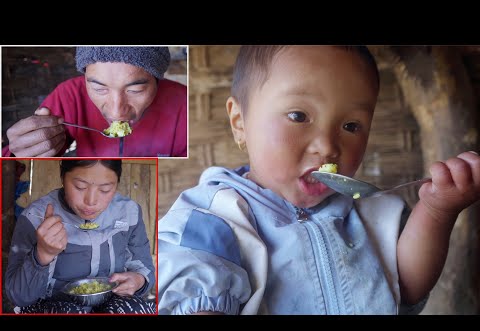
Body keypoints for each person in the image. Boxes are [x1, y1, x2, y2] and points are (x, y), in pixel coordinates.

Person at [156, 45, 480, 315]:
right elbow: (189, 278)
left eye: (351, 126)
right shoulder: (214, 215)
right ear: (240, 122)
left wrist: (438, 210)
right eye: (299, 116)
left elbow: (406, 287)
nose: (327, 146)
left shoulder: (372, 212)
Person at [5, 159, 156, 314]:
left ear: (117, 183)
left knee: (138, 309)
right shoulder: (35, 217)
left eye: (105, 189)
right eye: (80, 187)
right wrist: (43, 254)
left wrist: (139, 280)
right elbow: (19, 297)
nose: (91, 201)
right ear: (63, 177)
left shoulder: (128, 213)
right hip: (52, 303)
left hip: (111, 299)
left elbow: (145, 268)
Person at [3, 46, 187, 157]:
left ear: (157, 81)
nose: (116, 113)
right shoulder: (69, 95)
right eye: (99, 89)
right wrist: (18, 154)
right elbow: (21, 166)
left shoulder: (183, 103)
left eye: (135, 90)